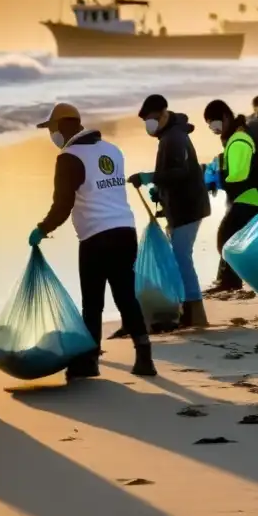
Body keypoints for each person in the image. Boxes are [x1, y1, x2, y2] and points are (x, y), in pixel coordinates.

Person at [31, 103, 157, 377]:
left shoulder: (69, 158)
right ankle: (144, 355)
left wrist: (42, 229)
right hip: (125, 230)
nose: (52, 135)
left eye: (52, 129)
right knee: (125, 294)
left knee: (93, 301)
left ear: (64, 127)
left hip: (96, 237)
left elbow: (62, 205)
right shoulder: (112, 150)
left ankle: (89, 361)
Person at [129, 94, 211, 328]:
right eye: (146, 120)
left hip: (188, 207)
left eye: (152, 119)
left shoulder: (173, 138)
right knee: (180, 257)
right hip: (185, 205)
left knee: (181, 258)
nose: (149, 124)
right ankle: (190, 309)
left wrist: (149, 178)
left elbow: (180, 173)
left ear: (164, 114)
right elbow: (175, 175)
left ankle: (194, 312)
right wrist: (161, 191)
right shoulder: (171, 135)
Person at [203, 100, 258, 294]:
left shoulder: (238, 140)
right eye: (209, 123)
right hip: (244, 197)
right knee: (229, 237)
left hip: (248, 197)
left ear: (226, 117)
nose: (212, 126)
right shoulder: (234, 138)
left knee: (225, 238)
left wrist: (218, 178)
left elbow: (238, 175)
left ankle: (230, 281)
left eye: (213, 120)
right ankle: (229, 280)